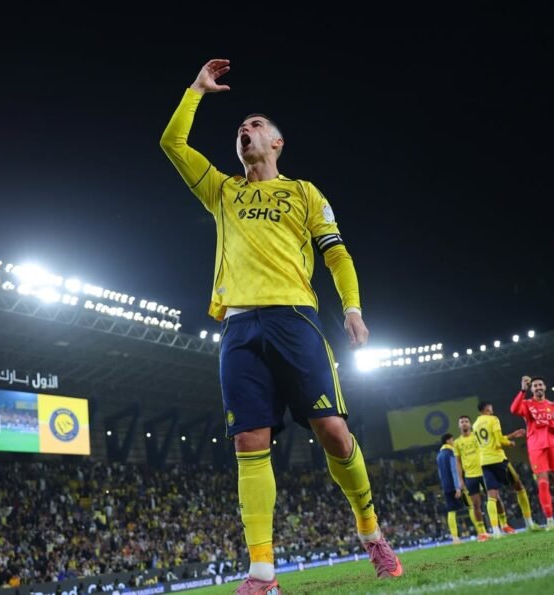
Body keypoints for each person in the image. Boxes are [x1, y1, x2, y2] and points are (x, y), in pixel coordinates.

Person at [160, 59, 402, 593]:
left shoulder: (305, 194)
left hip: (296, 319)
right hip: (239, 328)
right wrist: (196, 92)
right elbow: (172, 145)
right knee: (249, 440)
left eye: (254, 126)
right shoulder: (221, 191)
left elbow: (337, 256)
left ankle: (371, 532)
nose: (244, 130)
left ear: (277, 143)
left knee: (334, 434)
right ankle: (262, 574)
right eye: (239, 128)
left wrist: (353, 308)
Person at [511, 376, 554, 530]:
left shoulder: (553, 406)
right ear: (532, 389)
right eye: (535, 386)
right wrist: (522, 390)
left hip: (553, 444)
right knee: (543, 481)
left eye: (540, 385)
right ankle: (550, 520)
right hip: (536, 446)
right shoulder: (527, 403)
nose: (538, 387)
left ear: (544, 387)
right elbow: (513, 410)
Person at [472, 402, 539, 535]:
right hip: (498, 459)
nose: (492, 410)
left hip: (484, 461)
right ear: (487, 408)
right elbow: (498, 442)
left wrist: (512, 434)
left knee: (492, 496)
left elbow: (491, 440)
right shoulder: (493, 419)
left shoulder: (475, 425)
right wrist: (510, 442)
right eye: (491, 408)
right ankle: (529, 522)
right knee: (519, 487)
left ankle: (496, 531)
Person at [453, 415, 491, 541]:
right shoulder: (457, 443)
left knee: (494, 499)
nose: (464, 424)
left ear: (470, 424)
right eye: (461, 422)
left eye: (466, 421)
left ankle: (501, 525)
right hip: (470, 475)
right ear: (459, 426)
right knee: (476, 505)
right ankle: (482, 532)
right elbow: (458, 462)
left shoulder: (477, 436)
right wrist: (460, 479)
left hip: (484, 471)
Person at [436, 433, 464, 544]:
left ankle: (454, 537)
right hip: (453, 485)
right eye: (452, 439)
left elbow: (439, 473)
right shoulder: (450, 453)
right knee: (470, 506)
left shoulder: (439, 455)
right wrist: (458, 487)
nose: (453, 441)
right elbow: (454, 470)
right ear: (448, 441)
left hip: (445, 485)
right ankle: (481, 531)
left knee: (451, 511)